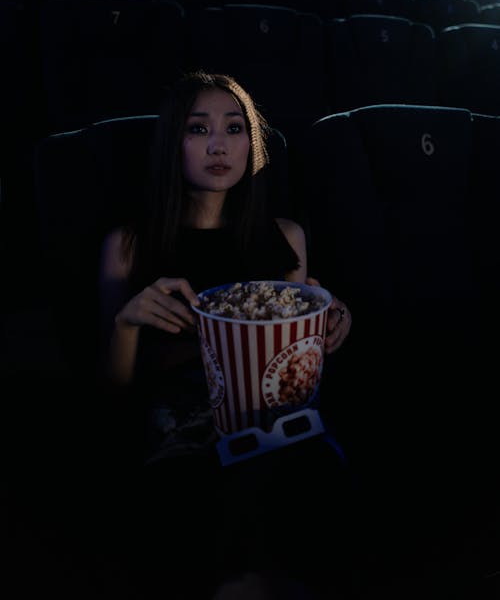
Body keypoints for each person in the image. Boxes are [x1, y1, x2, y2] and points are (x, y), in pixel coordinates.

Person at [97, 70, 355, 596]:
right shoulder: (127, 244)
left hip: (279, 425)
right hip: (183, 438)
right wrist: (126, 324)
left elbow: (297, 364)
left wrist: (328, 321)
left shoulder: (286, 237)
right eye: (198, 129)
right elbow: (111, 392)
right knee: (196, 511)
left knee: (312, 483)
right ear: (173, 142)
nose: (219, 144)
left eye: (235, 128)